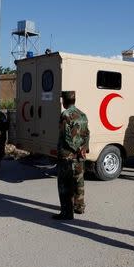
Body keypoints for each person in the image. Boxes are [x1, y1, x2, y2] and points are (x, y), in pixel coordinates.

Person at [53, 91, 90, 220]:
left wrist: (77, 149)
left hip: (67, 156)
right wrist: (84, 148)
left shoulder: (65, 114)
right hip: (80, 156)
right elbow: (87, 134)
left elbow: (67, 137)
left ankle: (66, 213)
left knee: (64, 184)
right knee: (78, 181)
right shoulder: (82, 114)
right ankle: (79, 207)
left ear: (64, 101)